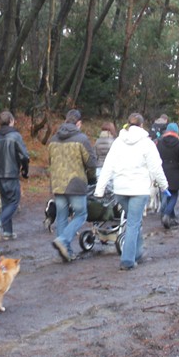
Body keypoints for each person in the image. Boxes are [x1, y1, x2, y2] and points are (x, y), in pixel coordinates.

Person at [95, 113, 168, 271]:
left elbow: (108, 166)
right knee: (133, 223)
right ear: (142, 125)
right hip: (139, 189)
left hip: (120, 190)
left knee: (134, 222)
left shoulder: (118, 142)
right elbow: (156, 167)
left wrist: (99, 189)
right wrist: (164, 186)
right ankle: (127, 260)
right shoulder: (147, 144)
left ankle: (138, 252)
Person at [47, 109, 97, 262]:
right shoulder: (82, 139)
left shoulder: (53, 139)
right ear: (79, 123)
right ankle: (63, 241)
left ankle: (66, 252)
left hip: (57, 184)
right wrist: (91, 179)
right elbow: (91, 162)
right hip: (76, 183)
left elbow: (50, 161)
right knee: (81, 214)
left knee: (62, 216)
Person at [0, 110, 29, 241]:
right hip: (11, 173)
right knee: (14, 202)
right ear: (11, 121)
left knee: (6, 202)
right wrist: (25, 170)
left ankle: (7, 232)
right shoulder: (15, 136)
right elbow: (24, 156)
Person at [156, 122, 179, 228]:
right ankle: (166, 214)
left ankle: (169, 217)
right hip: (174, 169)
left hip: (161, 169)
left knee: (164, 194)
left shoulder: (159, 142)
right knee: (173, 195)